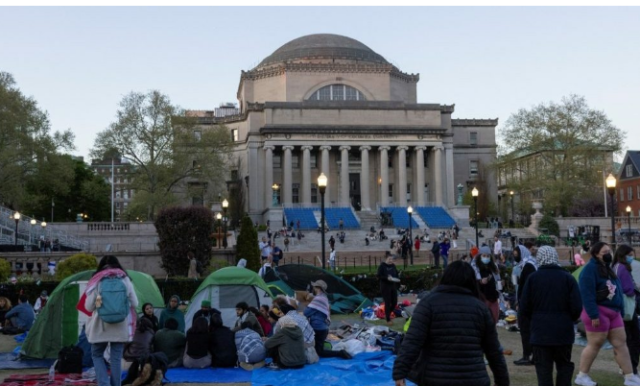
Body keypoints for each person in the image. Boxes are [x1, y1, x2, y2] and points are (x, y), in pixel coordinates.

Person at [392, 260, 509, 386]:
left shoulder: (428, 304)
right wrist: (502, 381)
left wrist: (400, 372)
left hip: (435, 378)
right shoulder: (480, 309)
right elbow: (494, 351)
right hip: (473, 378)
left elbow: (412, 342)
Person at [575, 242, 640, 386]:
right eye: (605, 252)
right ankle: (582, 376)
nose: (608, 254)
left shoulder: (607, 269)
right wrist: (593, 314)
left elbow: (618, 290)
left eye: (609, 251)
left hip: (614, 312)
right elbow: (586, 294)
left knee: (621, 343)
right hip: (598, 312)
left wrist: (621, 310)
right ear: (596, 254)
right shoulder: (589, 270)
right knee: (595, 344)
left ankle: (630, 376)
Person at [519, 246, 582, 386]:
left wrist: (534, 320)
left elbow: (524, 307)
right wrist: (569, 318)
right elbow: (577, 306)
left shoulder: (532, 279)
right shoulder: (568, 278)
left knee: (543, 370)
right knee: (564, 366)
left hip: (540, 332)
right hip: (563, 331)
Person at [79, 255, 138, 386]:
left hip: (100, 326)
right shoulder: (125, 279)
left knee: (97, 354)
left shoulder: (97, 280)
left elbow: (88, 306)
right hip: (120, 325)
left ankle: (104, 383)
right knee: (116, 358)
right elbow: (135, 302)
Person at [303, 280, 351, 359]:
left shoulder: (318, 299)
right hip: (323, 328)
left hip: (318, 329)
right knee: (317, 349)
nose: (313, 289)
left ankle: (340, 353)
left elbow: (306, 313)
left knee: (319, 352)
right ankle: (339, 353)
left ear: (318, 288)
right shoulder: (323, 298)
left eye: (314, 287)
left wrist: (305, 303)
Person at [613, 244, 640, 375]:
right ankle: (631, 369)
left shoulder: (616, 267)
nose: (631, 258)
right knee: (632, 340)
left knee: (624, 340)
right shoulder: (622, 268)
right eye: (629, 255)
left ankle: (625, 367)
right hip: (627, 308)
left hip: (621, 307)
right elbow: (629, 288)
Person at [515, 244, 538, 366]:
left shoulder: (528, 266)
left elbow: (526, 287)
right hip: (528, 304)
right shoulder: (527, 264)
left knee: (526, 330)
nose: (515, 257)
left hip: (527, 306)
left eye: (516, 254)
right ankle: (532, 355)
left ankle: (527, 355)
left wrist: (522, 302)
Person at [472, 246, 501, 323]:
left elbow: (497, 279)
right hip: (482, 298)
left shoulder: (493, 267)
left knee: (494, 319)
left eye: (488, 256)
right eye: (484, 256)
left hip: (493, 297)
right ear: (480, 256)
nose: (486, 258)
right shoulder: (476, 268)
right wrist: (480, 281)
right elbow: (472, 282)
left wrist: (501, 283)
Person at [377, 254, 399, 326]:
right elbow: (378, 276)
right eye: (389, 259)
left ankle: (387, 314)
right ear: (386, 259)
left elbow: (396, 275)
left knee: (395, 302)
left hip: (393, 286)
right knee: (387, 302)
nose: (391, 261)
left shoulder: (393, 266)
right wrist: (386, 278)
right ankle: (388, 319)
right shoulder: (382, 266)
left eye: (392, 259)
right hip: (385, 287)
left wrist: (399, 283)